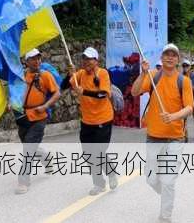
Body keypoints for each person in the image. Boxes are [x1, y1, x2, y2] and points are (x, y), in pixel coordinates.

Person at [131, 43, 194, 223]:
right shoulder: (152, 76)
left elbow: (189, 107)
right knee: (151, 180)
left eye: (173, 55)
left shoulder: (184, 81)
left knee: (168, 181)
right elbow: (135, 92)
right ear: (162, 57)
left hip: (175, 138)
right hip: (153, 137)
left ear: (177, 59)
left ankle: (165, 216)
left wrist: (173, 116)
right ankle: (166, 192)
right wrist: (143, 73)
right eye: (167, 54)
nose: (170, 57)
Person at [69, 47, 117, 196]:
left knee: (99, 151)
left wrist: (84, 91)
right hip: (87, 121)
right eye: (84, 59)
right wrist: (70, 73)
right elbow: (66, 84)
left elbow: (103, 94)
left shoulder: (102, 73)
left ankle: (110, 173)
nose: (87, 62)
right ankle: (99, 184)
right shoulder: (80, 74)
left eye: (90, 59)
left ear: (96, 61)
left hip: (103, 119)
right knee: (88, 154)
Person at [14, 48, 61, 195]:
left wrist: (45, 106)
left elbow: (57, 93)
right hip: (23, 117)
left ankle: (23, 182)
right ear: (26, 61)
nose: (37, 61)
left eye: (39, 58)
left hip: (39, 117)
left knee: (28, 148)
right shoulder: (20, 76)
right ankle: (47, 158)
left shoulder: (45, 76)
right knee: (29, 145)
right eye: (33, 59)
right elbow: (15, 92)